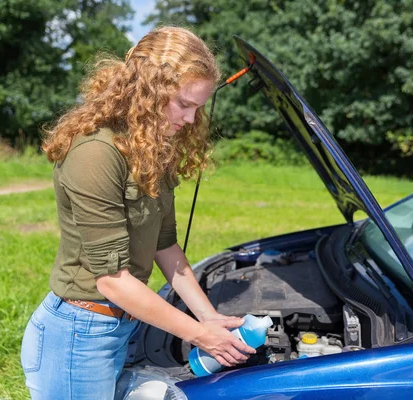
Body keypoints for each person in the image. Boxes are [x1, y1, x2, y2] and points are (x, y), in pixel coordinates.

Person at [20, 26, 255, 399]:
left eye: (198, 107)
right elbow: (111, 281)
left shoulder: (152, 147)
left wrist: (207, 316)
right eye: (184, 104)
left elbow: (166, 245)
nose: (192, 120)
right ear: (147, 89)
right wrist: (197, 334)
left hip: (120, 327)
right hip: (79, 336)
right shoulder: (95, 152)